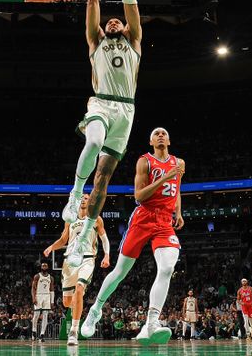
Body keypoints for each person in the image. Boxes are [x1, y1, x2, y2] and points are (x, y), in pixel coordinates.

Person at [61, 0, 142, 270]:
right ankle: (73, 194)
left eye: (117, 22)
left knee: (104, 179)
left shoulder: (134, 41)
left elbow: (130, 1)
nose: (113, 22)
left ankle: (81, 241)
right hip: (101, 104)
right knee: (93, 141)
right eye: (108, 21)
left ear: (125, 28)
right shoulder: (95, 41)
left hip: (126, 111)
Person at [81, 127, 185, 346]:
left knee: (167, 268)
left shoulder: (179, 163)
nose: (160, 135)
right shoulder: (144, 162)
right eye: (156, 133)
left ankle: (152, 322)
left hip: (165, 222)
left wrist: (178, 211)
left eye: (164, 133)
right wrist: (165, 176)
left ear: (169, 139)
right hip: (143, 217)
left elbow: (176, 188)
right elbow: (139, 195)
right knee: (120, 272)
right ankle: (96, 308)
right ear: (150, 141)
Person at [43, 194, 111, 346]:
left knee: (79, 289)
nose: (83, 200)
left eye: (86, 198)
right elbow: (63, 240)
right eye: (80, 198)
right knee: (67, 302)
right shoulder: (70, 219)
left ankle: (73, 331)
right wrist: (51, 247)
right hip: (69, 261)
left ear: (90, 201)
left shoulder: (96, 219)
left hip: (87, 258)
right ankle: (77, 308)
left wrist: (106, 255)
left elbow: (104, 239)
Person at [31, 262, 54, 342]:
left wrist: (52, 301)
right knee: (36, 314)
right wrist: (34, 298)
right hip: (38, 295)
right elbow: (33, 288)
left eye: (45, 265)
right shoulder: (37, 276)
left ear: (48, 267)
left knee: (45, 315)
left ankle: (42, 335)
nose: (44, 266)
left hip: (47, 296)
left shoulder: (51, 278)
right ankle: (34, 331)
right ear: (41, 267)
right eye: (43, 265)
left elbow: (52, 290)